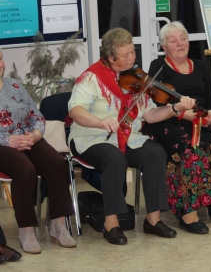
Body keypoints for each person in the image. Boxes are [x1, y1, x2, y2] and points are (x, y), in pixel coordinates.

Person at [68, 27, 196, 245]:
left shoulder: (136, 78)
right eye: (126, 55)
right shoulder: (92, 78)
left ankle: (153, 220)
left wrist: (175, 108)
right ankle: (112, 223)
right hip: (92, 137)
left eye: (133, 52)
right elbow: (75, 111)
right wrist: (100, 122)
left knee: (155, 152)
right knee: (114, 157)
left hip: (128, 136)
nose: (132, 58)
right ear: (110, 58)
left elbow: (150, 115)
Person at [142, 21, 211, 234]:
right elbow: (157, 103)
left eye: (183, 38)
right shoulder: (157, 67)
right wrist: (189, 115)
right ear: (164, 47)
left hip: (200, 121)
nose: (180, 43)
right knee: (189, 149)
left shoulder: (200, 65)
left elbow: (210, 98)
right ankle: (187, 213)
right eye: (173, 40)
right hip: (168, 122)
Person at [0, 48, 76, 253]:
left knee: (58, 164)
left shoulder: (14, 85)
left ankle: (58, 225)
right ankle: (26, 230)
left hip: (28, 137)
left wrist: (35, 135)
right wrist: (8, 140)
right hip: (2, 145)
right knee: (25, 170)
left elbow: (36, 115)